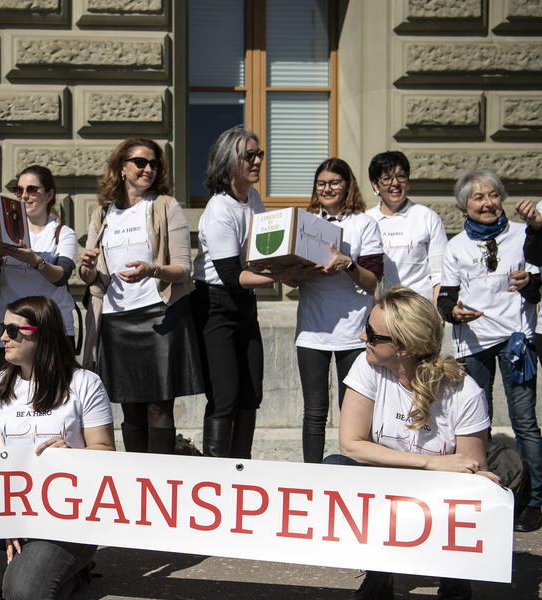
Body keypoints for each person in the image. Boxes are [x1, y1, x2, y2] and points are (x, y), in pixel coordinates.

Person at [326, 286, 498, 600]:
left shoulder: (465, 393)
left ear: (403, 347)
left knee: (473, 487)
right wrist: (429, 464)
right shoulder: (368, 366)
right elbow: (351, 445)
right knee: (335, 465)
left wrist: (438, 472)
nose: (363, 336)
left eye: (374, 335)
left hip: (437, 498)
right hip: (386, 486)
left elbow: (472, 472)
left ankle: (455, 567)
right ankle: (378, 573)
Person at [0, 296, 115, 600]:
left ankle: (74, 570)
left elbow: (106, 451)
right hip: (12, 509)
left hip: (67, 513)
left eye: (13, 330)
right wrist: (3, 522)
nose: (3, 337)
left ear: (42, 334)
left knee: (28, 597)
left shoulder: (84, 383)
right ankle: (29, 565)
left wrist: (73, 454)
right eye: (3, 327)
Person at [79, 138, 204, 455]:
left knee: (159, 408)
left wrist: (152, 270)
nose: (149, 168)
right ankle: (134, 479)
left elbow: (183, 269)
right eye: (140, 162)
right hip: (116, 320)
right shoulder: (103, 214)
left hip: (158, 317)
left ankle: (161, 479)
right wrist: (88, 267)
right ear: (121, 167)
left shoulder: (164, 206)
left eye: (154, 164)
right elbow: (92, 278)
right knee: (130, 408)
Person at [437, 169, 542, 533]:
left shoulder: (523, 234)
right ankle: (484, 492)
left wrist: (530, 283)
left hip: (516, 341)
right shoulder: (455, 247)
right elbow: (446, 298)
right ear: (464, 206)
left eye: (493, 195)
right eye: (478, 197)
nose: (488, 203)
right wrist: (454, 312)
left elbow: (535, 287)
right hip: (474, 344)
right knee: (475, 424)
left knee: (524, 422)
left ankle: (534, 500)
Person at [192, 126, 279, 458]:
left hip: (244, 304)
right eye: (250, 156)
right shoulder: (219, 210)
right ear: (230, 162)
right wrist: (282, 277)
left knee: (251, 393)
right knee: (225, 396)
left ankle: (241, 468)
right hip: (215, 303)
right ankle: (215, 472)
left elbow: (264, 251)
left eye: (260, 154)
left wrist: (297, 262)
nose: (257, 161)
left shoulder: (253, 198)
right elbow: (231, 276)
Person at [289, 158, 383, 464]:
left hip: (353, 331)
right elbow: (289, 279)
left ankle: (352, 472)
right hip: (312, 330)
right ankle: (311, 476)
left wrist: (348, 264)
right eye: (322, 183)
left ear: (348, 186)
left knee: (352, 409)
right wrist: (299, 270)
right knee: (314, 411)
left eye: (334, 183)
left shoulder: (364, 224)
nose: (327, 189)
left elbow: (372, 282)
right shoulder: (304, 221)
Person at [0, 165, 77, 369]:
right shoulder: (4, 233)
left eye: (32, 190)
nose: (24, 196)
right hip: (11, 333)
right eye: (19, 190)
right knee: (11, 397)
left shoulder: (62, 233)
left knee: (55, 398)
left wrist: (35, 261)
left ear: (49, 195)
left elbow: (61, 277)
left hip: (52, 331)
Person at [365, 151, 448, 302]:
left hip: (418, 312)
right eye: (387, 178)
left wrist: (437, 312)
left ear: (408, 181)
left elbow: (440, 273)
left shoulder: (427, 217)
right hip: (379, 311)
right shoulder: (366, 221)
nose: (395, 183)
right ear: (375, 184)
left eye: (401, 176)